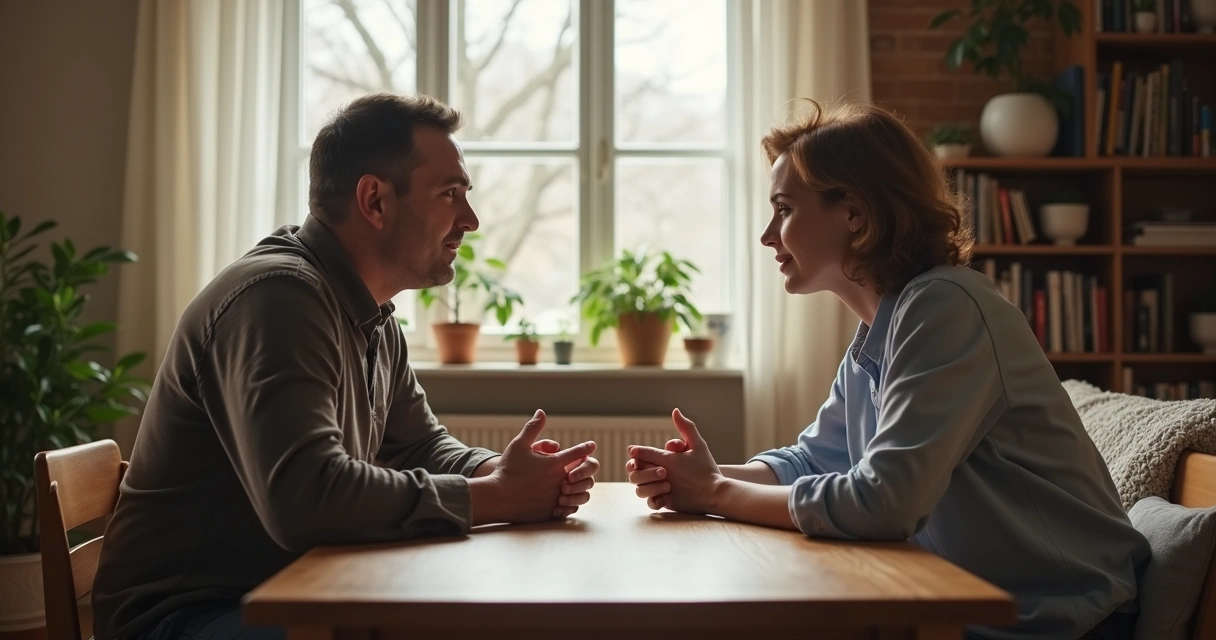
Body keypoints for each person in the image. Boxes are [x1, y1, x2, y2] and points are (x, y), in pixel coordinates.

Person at [625, 100, 1149, 640]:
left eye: (784, 209)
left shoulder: (946, 307)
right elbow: (815, 458)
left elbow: (883, 504)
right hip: (975, 608)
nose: (767, 235)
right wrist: (700, 477)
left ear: (854, 213)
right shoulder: (883, 327)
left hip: (1067, 618)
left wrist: (714, 493)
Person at [92, 94, 600, 640]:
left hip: (292, 589)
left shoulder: (370, 311)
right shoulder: (278, 297)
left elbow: (419, 446)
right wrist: (500, 498)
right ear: (374, 200)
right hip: (188, 617)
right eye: (449, 194)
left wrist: (499, 470)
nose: (470, 220)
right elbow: (307, 498)